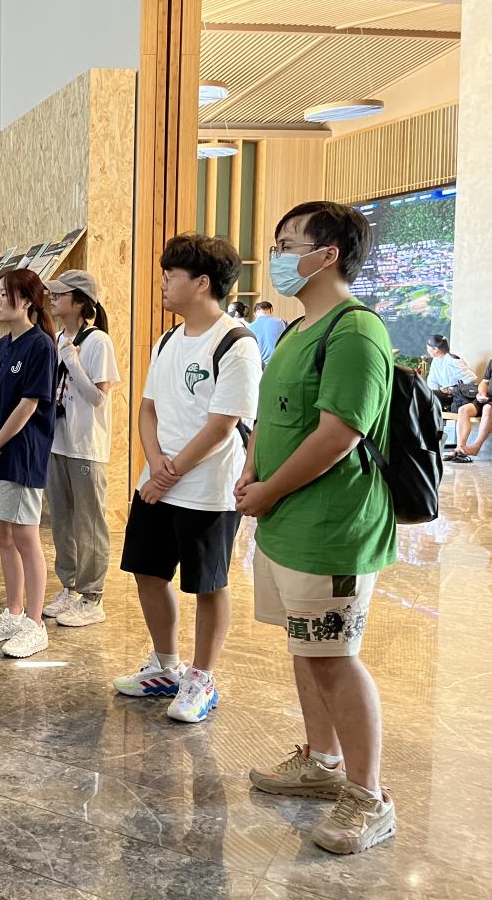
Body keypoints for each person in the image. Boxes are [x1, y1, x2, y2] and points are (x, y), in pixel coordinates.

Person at [237, 201, 397, 855]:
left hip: (331, 527)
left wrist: (268, 488)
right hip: (284, 523)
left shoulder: (355, 331)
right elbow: (272, 415)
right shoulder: (297, 330)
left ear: (327, 254)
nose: (277, 255)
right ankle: (321, 763)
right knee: (306, 648)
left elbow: (339, 434)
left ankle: (369, 797)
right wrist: (252, 472)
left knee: (333, 656)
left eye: (287, 244)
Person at [113, 234, 261, 723]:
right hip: (158, 479)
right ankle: (166, 665)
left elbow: (222, 425)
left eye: (170, 275)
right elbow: (147, 408)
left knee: (208, 584)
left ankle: (202, 677)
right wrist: (154, 462)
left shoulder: (236, 343)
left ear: (201, 283)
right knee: (148, 572)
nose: (162, 283)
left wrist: (168, 475)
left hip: (207, 489)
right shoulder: (167, 340)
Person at [0, 268, 57, 659]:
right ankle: (14, 611)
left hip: (21, 454)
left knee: (25, 536)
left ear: (25, 300)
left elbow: (29, 404)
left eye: (2, 293)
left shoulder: (41, 346)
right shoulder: (1, 345)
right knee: (3, 533)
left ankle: (35, 624)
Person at [40, 271, 120, 627]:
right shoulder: (58, 337)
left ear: (79, 301)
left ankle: (92, 596)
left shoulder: (98, 341)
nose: (53, 299)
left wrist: (71, 361)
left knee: (89, 523)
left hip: (86, 446)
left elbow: (99, 398)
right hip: (57, 441)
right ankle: (69, 587)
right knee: (61, 520)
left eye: (60, 294)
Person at [448, 358, 491, 463]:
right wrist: (481, 394)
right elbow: (484, 382)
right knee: (463, 409)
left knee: (487, 408)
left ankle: (476, 447)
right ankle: (460, 447)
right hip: (486, 398)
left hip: (489, 405)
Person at [425, 334, 476, 411]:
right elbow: (432, 381)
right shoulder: (436, 360)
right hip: (444, 394)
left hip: (456, 396)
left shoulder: (453, 361)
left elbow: (470, 379)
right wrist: (434, 392)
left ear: (435, 349)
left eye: (428, 348)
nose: (427, 350)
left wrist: (452, 389)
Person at [250, 301, 288, 366]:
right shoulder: (283, 322)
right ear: (271, 310)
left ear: (255, 313)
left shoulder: (249, 327)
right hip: (281, 362)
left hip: (260, 365)